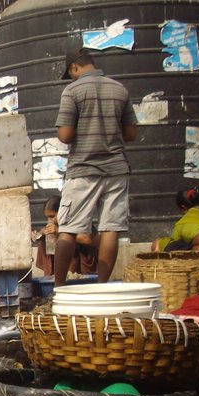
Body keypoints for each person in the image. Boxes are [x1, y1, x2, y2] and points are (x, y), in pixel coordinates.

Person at [53, 47, 137, 288]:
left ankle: (59, 288)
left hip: (83, 170)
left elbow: (65, 135)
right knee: (110, 229)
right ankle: (102, 286)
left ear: (74, 68)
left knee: (68, 229)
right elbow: (130, 133)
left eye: (70, 73)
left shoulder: (72, 91)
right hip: (116, 170)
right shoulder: (119, 89)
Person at [33, 193, 99, 277]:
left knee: (68, 244)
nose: (50, 220)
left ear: (62, 212)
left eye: (52, 216)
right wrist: (40, 234)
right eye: (47, 217)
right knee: (45, 241)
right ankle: (55, 275)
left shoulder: (77, 218)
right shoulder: (56, 223)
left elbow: (87, 239)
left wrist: (59, 231)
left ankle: (69, 276)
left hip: (87, 257)